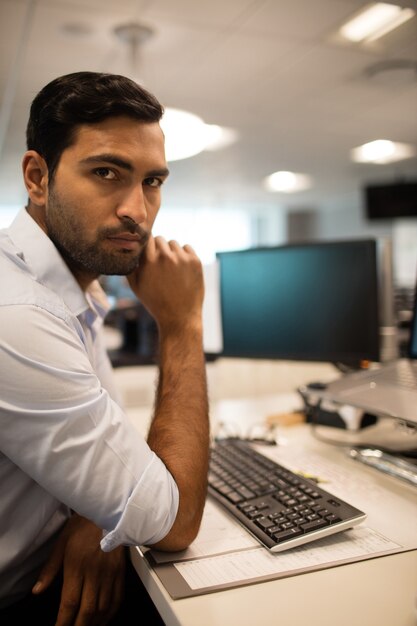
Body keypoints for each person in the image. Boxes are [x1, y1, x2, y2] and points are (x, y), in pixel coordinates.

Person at [0, 71, 210, 624]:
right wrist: (183, 323)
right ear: (37, 177)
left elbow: (119, 469)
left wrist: (99, 516)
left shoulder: (70, 289)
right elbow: (176, 521)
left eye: (152, 182)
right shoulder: (19, 314)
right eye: (107, 172)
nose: (136, 212)